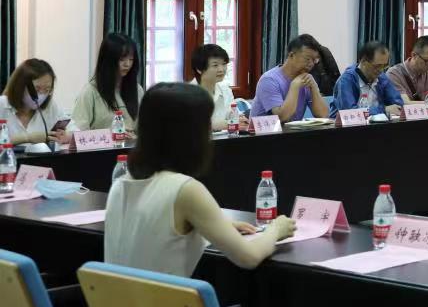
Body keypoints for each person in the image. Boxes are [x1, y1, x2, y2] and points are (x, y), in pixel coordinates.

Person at [105, 83, 296, 277]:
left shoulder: (121, 184)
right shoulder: (185, 190)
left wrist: (215, 224)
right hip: (163, 297)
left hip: (115, 297)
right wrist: (275, 230)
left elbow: (151, 233)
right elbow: (249, 257)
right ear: (190, 135)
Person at [71, 33, 144, 132]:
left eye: (131, 59)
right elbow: (77, 132)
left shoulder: (137, 90)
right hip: (104, 142)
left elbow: (144, 128)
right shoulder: (90, 91)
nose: (127, 64)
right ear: (108, 60)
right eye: (122, 59)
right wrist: (110, 134)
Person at [250, 35, 328, 121]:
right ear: (291, 55)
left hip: (292, 130)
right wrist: (294, 86)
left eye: (314, 60)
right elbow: (282, 117)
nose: (311, 64)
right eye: (307, 59)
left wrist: (314, 87)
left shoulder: (305, 79)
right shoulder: (269, 80)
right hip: (265, 129)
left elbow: (323, 115)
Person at [0, 59, 69, 150]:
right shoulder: (2, 104)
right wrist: (28, 138)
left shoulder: (50, 107)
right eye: (37, 89)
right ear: (20, 86)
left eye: (47, 90)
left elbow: (76, 132)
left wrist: (65, 136)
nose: (41, 95)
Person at [329, 41, 404, 119]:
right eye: (377, 66)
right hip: (344, 125)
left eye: (384, 66)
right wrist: (383, 110)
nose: (381, 70)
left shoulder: (381, 78)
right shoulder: (346, 80)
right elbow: (350, 113)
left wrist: (390, 109)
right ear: (364, 61)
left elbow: (398, 105)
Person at [190, 44, 239, 132]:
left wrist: (238, 120)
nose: (221, 69)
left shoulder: (225, 90)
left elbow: (233, 116)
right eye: (215, 65)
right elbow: (188, 126)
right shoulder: (187, 94)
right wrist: (221, 125)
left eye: (224, 64)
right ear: (199, 69)